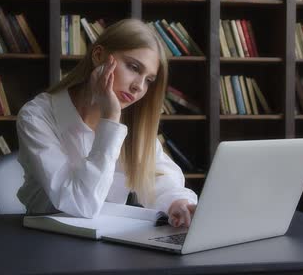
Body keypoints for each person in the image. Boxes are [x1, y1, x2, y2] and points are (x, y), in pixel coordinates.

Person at [16, 18, 197, 227]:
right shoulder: (37, 116)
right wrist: (110, 120)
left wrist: (177, 202)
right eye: (133, 67)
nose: (139, 86)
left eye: (148, 80)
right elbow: (80, 204)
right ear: (99, 55)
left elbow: (158, 174)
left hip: (108, 238)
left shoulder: (130, 121)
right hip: (46, 240)